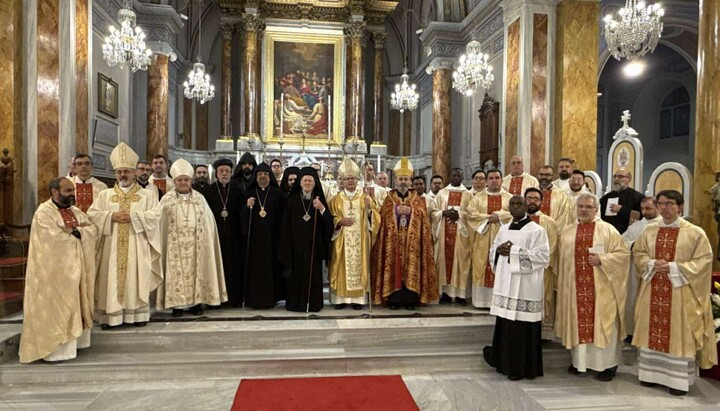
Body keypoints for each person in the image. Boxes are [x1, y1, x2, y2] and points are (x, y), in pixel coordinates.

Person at [631, 190, 717, 396]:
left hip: (681, 294)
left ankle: (677, 381)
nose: (664, 208)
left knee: (678, 332)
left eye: (669, 203)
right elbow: (638, 253)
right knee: (651, 330)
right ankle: (650, 375)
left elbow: (704, 261)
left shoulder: (695, 233)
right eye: (660, 204)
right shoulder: (649, 231)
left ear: (680, 206)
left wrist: (674, 268)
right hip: (652, 290)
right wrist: (651, 263)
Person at [19, 177, 98, 363]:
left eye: (73, 190)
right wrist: (75, 233)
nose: (73, 194)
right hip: (52, 275)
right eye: (68, 191)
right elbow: (51, 240)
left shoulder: (75, 211)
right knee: (57, 309)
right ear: (55, 192)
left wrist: (76, 232)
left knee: (75, 303)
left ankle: (74, 345)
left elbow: (91, 229)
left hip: (75, 272)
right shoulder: (44, 213)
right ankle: (53, 349)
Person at [556, 193, 630, 382]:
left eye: (588, 207)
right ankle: (580, 363)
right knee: (578, 323)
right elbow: (560, 261)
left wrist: (602, 260)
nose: (583, 209)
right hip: (575, 289)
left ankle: (608, 365)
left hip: (602, 289)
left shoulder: (608, 230)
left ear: (596, 209)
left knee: (603, 325)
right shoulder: (567, 231)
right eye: (580, 206)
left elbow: (623, 256)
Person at [88, 143, 162, 329]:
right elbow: (92, 214)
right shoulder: (105, 195)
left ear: (134, 173)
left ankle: (137, 315)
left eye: (127, 172)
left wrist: (134, 217)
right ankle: (110, 317)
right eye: (119, 172)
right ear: (115, 174)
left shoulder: (148, 195)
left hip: (137, 245)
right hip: (110, 247)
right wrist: (110, 216)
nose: (123, 175)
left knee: (137, 278)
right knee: (110, 278)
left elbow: (156, 215)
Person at [483, 195, 550, 380]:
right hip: (505, 285)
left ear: (526, 206)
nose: (515, 207)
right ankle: (503, 363)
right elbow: (493, 251)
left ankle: (523, 368)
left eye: (519, 204)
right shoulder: (503, 229)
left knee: (522, 327)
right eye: (512, 204)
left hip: (526, 287)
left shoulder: (537, 230)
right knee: (506, 325)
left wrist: (512, 251)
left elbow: (543, 257)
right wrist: (497, 251)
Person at [156, 159, 227, 317]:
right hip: (174, 246)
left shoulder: (200, 199)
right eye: (180, 180)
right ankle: (177, 305)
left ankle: (196, 303)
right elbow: (159, 224)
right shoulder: (166, 200)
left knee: (198, 271)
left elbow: (209, 224)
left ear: (191, 181)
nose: (183, 183)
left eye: (186, 180)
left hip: (197, 244)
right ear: (174, 182)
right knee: (175, 273)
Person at [372, 157, 438, 310]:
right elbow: (382, 217)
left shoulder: (418, 199)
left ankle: (410, 300)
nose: (403, 182)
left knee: (411, 268)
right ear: (395, 181)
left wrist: (412, 211)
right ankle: (393, 300)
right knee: (393, 267)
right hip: (392, 243)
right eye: (400, 179)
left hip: (412, 244)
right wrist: (395, 211)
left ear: (410, 182)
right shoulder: (388, 198)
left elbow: (424, 219)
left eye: (406, 179)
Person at [279, 167, 333, 312]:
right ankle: (294, 304)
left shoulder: (319, 200)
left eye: (310, 181)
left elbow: (329, 224)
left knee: (313, 276)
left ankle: (313, 303)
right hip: (295, 248)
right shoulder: (292, 200)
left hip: (313, 248)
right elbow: (285, 225)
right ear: (300, 183)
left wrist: (321, 209)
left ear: (315, 184)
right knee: (295, 276)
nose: (307, 183)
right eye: (305, 180)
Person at [328, 159, 380, 310]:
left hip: (360, 240)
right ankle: (340, 300)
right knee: (340, 267)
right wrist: (339, 220)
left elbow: (375, 217)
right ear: (342, 181)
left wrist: (370, 209)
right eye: (347, 178)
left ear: (358, 180)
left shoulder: (365, 198)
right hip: (342, 240)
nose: (350, 181)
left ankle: (358, 300)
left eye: (353, 178)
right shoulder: (336, 200)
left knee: (359, 266)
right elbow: (330, 218)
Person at [241, 162, 288, 308]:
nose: (262, 177)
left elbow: (284, 217)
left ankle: (271, 299)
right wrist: (247, 207)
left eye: (266, 174)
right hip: (254, 241)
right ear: (255, 177)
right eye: (260, 174)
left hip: (272, 241)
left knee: (271, 270)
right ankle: (253, 299)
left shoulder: (278, 194)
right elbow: (241, 218)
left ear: (270, 176)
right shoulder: (248, 193)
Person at [201, 158, 244, 307]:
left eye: (227, 171)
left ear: (231, 173)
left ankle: (233, 299)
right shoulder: (207, 191)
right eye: (221, 171)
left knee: (233, 268)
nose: (224, 174)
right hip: (214, 236)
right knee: (215, 268)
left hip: (234, 237)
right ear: (216, 173)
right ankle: (215, 300)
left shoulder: (238, 191)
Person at [466, 169, 512, 308]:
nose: (494, 180)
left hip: (503, 238)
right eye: (491, 178)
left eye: (497, 177)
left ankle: (500, 301)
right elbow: (471, 215)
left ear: (501, 180)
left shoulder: (510, 198)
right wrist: (488, 218)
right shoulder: (477, 198)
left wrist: (499, 216)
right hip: (482, 237)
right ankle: (482, 301)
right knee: (481, 265)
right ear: (486, 181)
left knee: (502, 265)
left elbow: (515, 213)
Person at [621, 196, 661, 336]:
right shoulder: (636, 226)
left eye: (648, 208)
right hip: (634, 269)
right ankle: (632, 331)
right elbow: (621, 243)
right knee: (633, 298)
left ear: (657, 207)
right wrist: (633, 244)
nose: (645, 211)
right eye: (642, 208)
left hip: (656, 269)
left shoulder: (663, 225)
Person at [432, 168, 473, 305]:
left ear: (462, 177)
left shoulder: (468, 195)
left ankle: (461, 295)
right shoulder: (442, 193)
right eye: (454, 175)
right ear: (450, 176)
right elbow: (433, 212)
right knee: (444, 262)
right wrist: (444, 213)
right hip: (444, 233)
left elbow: (472, 214)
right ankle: (445, 294)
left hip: (461, 236)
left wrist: (459, 215)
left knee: (460, 263)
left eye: (459, 176)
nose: (456, 177)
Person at [524, 187, 559, 340]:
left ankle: (542, 334)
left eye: (535, 199)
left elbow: (552, 246)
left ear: (541, 201)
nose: (532, 201)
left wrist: (535, 262)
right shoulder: (516, 220)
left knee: (544, 297)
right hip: (522, 269)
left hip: (542, 270)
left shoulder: (549, 222)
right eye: (529, 198)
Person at [599, 169, 644, 234]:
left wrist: (622, 210)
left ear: (629, 179)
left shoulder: (637, 197)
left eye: (620, 177)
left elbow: (642, 216)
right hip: (608, 234)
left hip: (628, 235)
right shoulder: (605, 198)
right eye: (615, 177)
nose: (616, 179)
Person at [537, 165, 572, 229]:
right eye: (541, 175)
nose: (543, 177)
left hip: (553, 231)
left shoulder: (561, 195)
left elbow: (564, 217)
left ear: (553, 176)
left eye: (547, 175)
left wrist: (553, 230)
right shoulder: (530, 193)